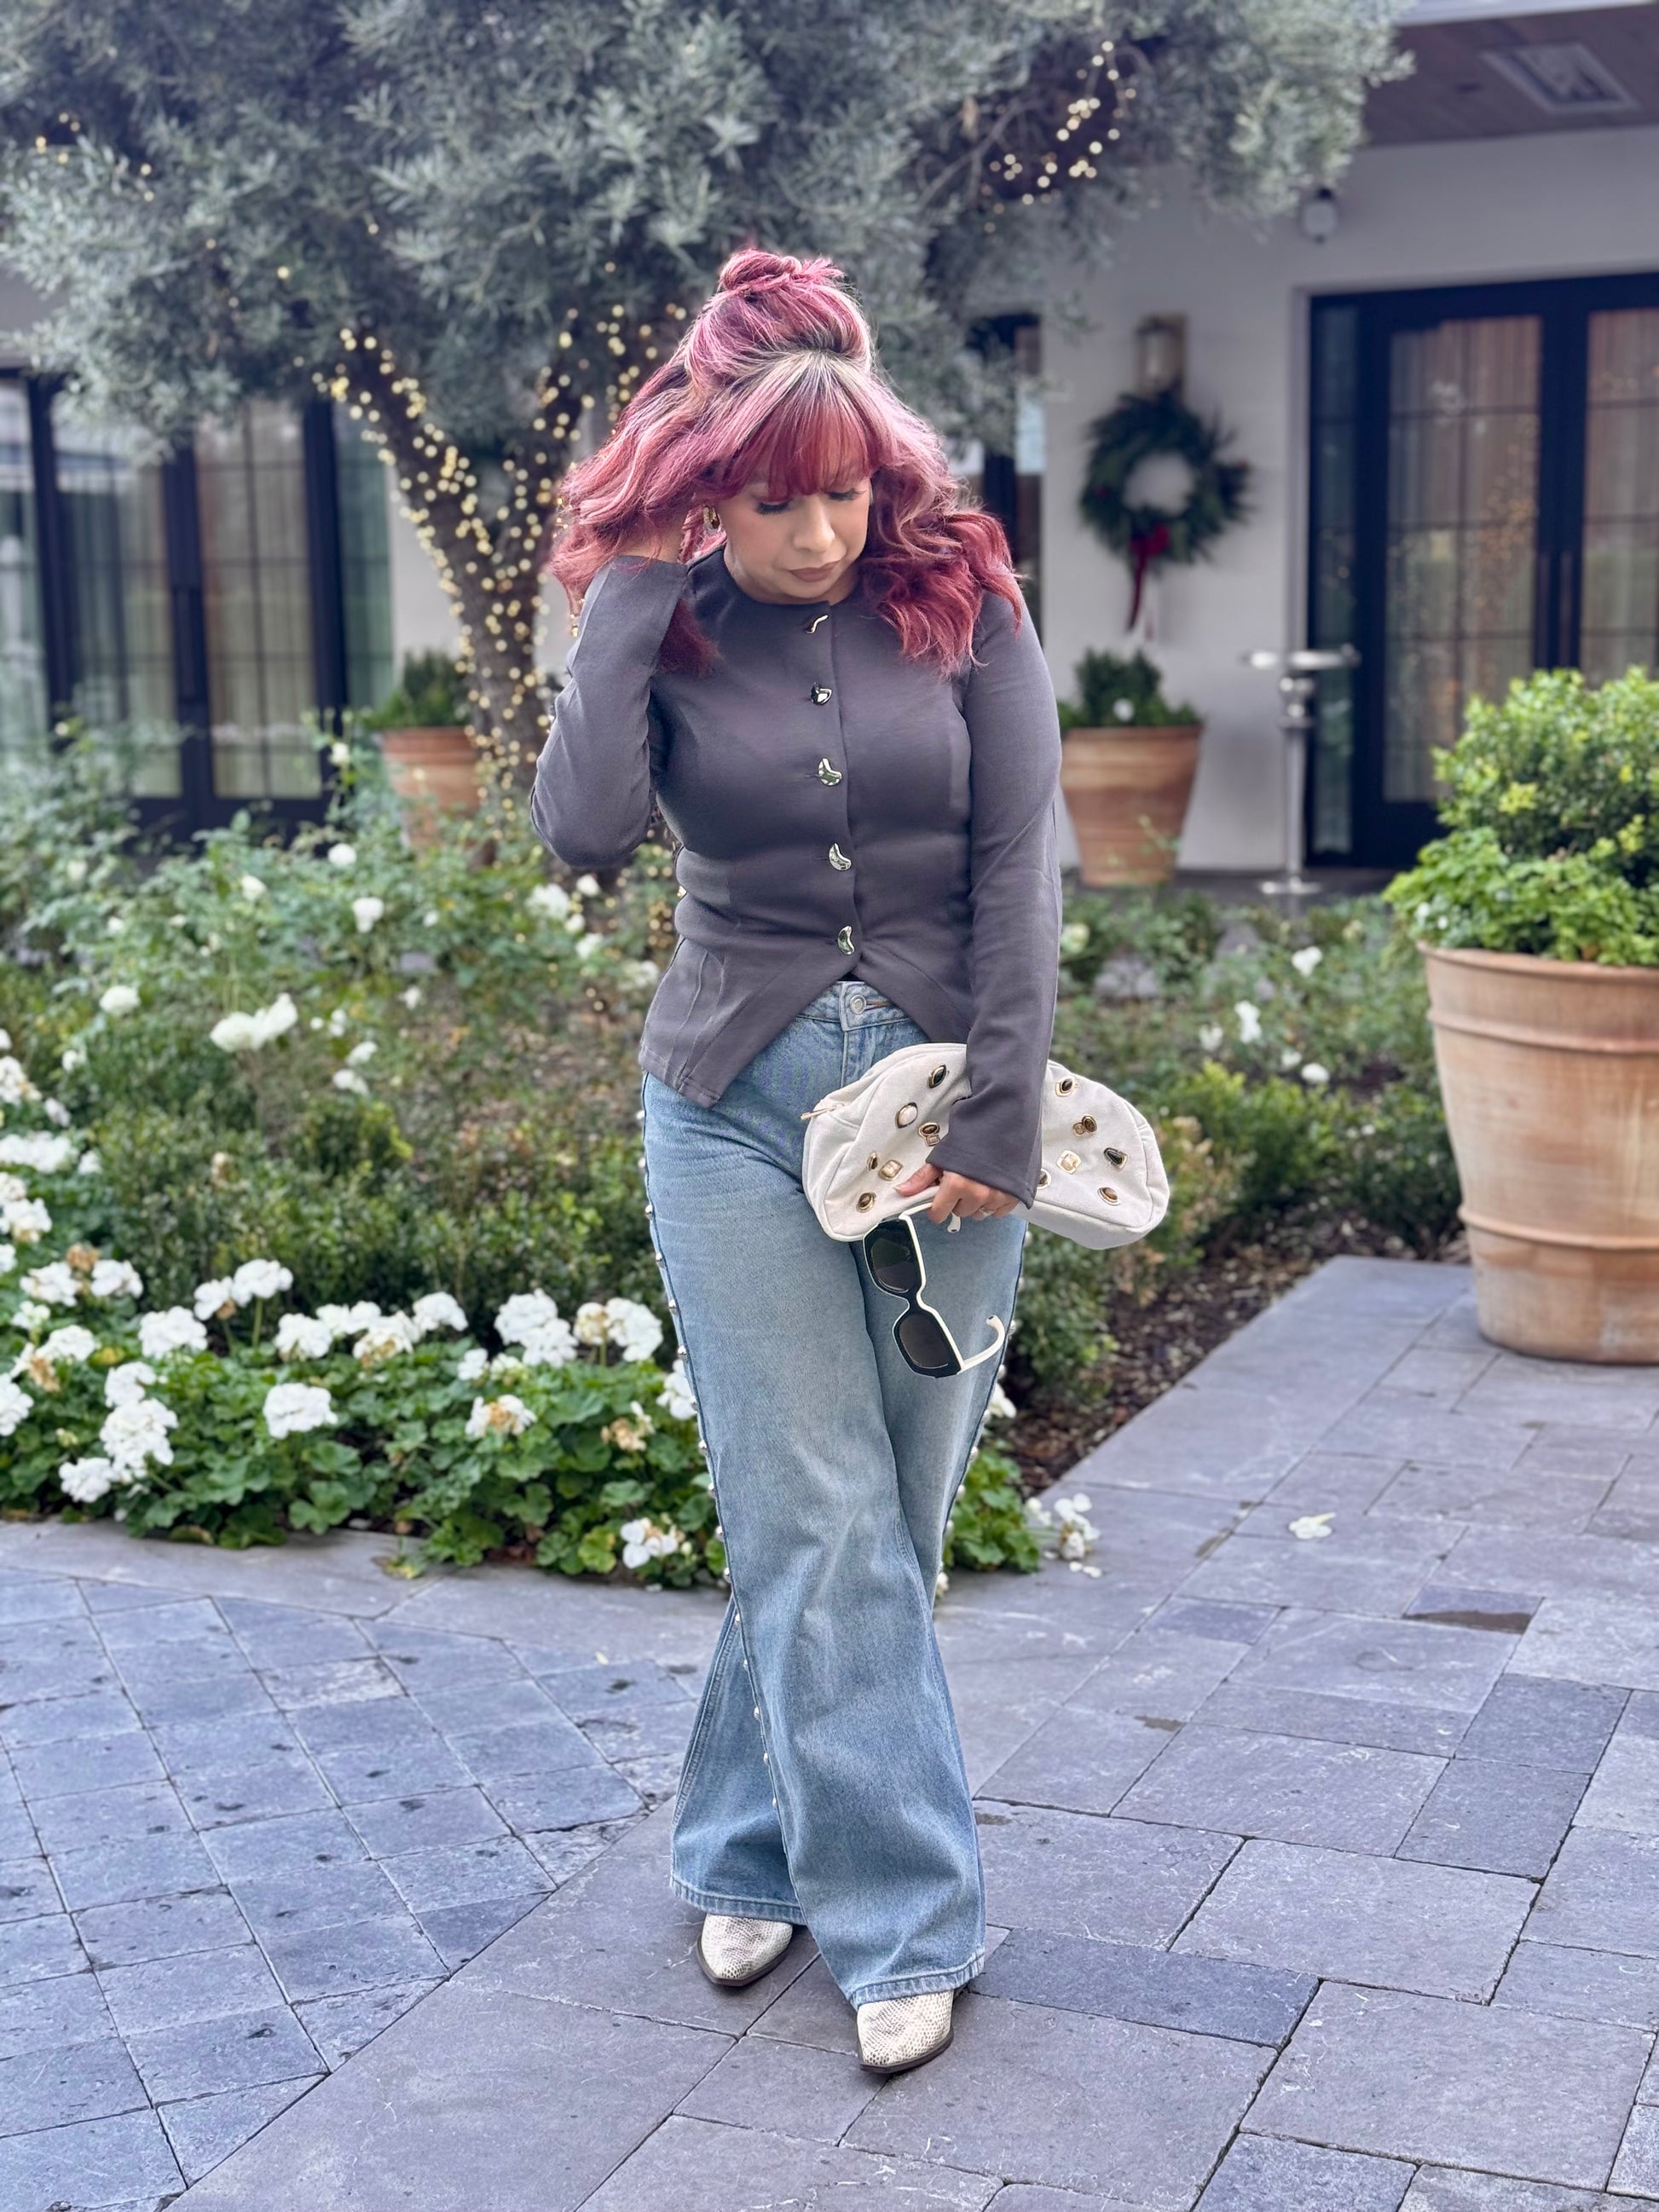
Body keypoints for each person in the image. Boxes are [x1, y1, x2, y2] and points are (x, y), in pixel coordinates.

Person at [534, 247, 1061, 2076]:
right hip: (730, 1106)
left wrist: (1005, 1110)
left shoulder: (966, 599)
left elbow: (1022, 863)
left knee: (879, 1512)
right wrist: (625, 586)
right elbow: (582, 828)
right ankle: (903, 1919)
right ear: (708, 488)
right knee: (814, 1505)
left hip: (944, 1114)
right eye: (772, 500)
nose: (819, 533)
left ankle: (744, 1843)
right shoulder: (666, 616)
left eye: (842, 492)